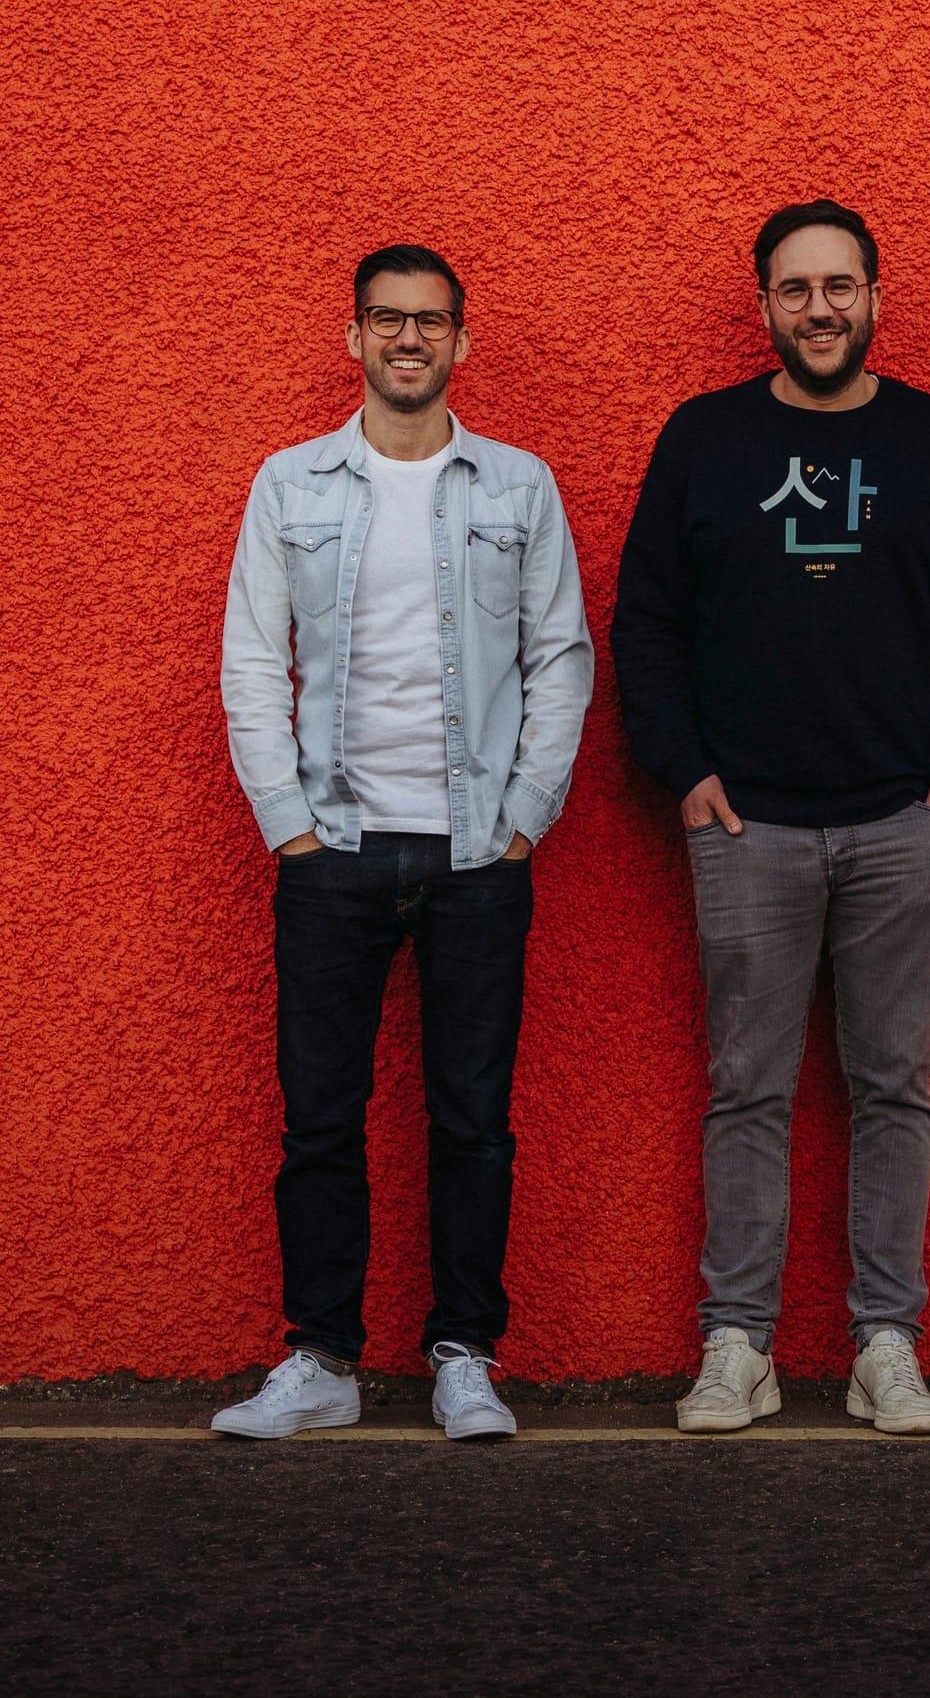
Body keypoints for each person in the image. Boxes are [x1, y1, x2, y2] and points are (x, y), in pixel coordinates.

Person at [612, 201, 930, 1437]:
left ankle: (884, 1342)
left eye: (840, 286)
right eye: (795, 290)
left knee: (893, 1086)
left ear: (875, 298)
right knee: (747, 1088)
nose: (820, 309)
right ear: (765, 308)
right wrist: (684, 773)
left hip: (906, 823)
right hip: (749, 831)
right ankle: (736, 1342)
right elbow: (645, 622)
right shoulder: (705, 438)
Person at [213, 248, 594, 1443]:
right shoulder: (292, 486)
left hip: (477, 856)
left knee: (471, 1118)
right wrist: (289, 829)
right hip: (333, 854)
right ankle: (320, 1357)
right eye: (388, 319)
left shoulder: (517, 487)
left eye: (431, 321)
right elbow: (246, 663)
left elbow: (562, 658)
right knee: (318, 1118)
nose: (409, 339)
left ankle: (464, 1355)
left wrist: (523, 819)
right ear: (355, 339)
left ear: (462, 343)